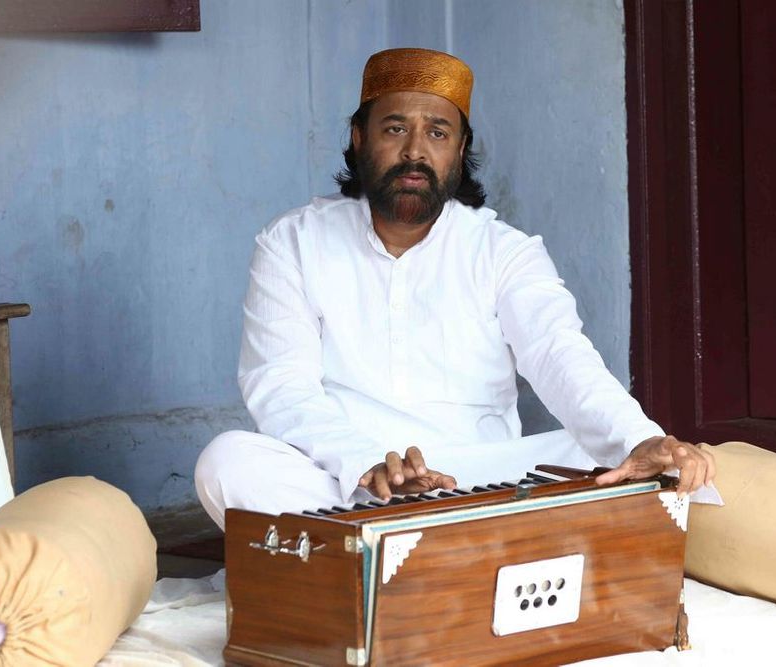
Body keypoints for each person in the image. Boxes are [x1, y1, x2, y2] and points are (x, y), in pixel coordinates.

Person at [194, 48, 715, 530]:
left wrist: (639, 438)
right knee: (228, 462)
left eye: (437, 133)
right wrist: (365, 463)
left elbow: (560, 354)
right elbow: (281, 383)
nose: (414, 151)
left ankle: (384, 560)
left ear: (460, 149)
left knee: (600, 456)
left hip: (484, 482)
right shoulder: (292, 241)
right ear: (358, 138)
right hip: (349, 482)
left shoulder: (504, 251)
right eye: (395, 128)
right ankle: (456, 555)